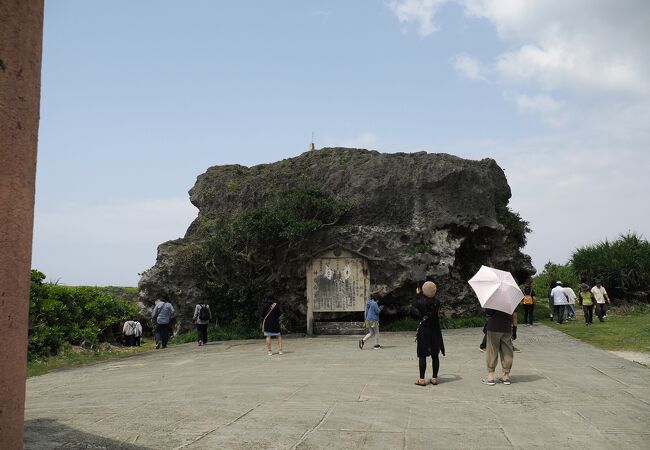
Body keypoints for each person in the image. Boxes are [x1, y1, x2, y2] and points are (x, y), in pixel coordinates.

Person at [412, 281, 445, 386]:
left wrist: (418, 293)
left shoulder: (421, 302)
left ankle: (422, 379)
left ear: (423, 290)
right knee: (435, 355)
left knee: (422, 355)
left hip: (424, 330)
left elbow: (414, 303)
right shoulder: (437, 302)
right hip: (435, 330)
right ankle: (434, 378)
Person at [483, 308, 515, 385]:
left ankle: (490, 377)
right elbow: (514, 314)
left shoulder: (493, 298)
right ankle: (506, 376)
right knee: (507, 351)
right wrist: (515, 328)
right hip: (507, 327)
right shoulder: (511, 298)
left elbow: (489, 312)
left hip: (494, 327)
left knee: (492, 351)